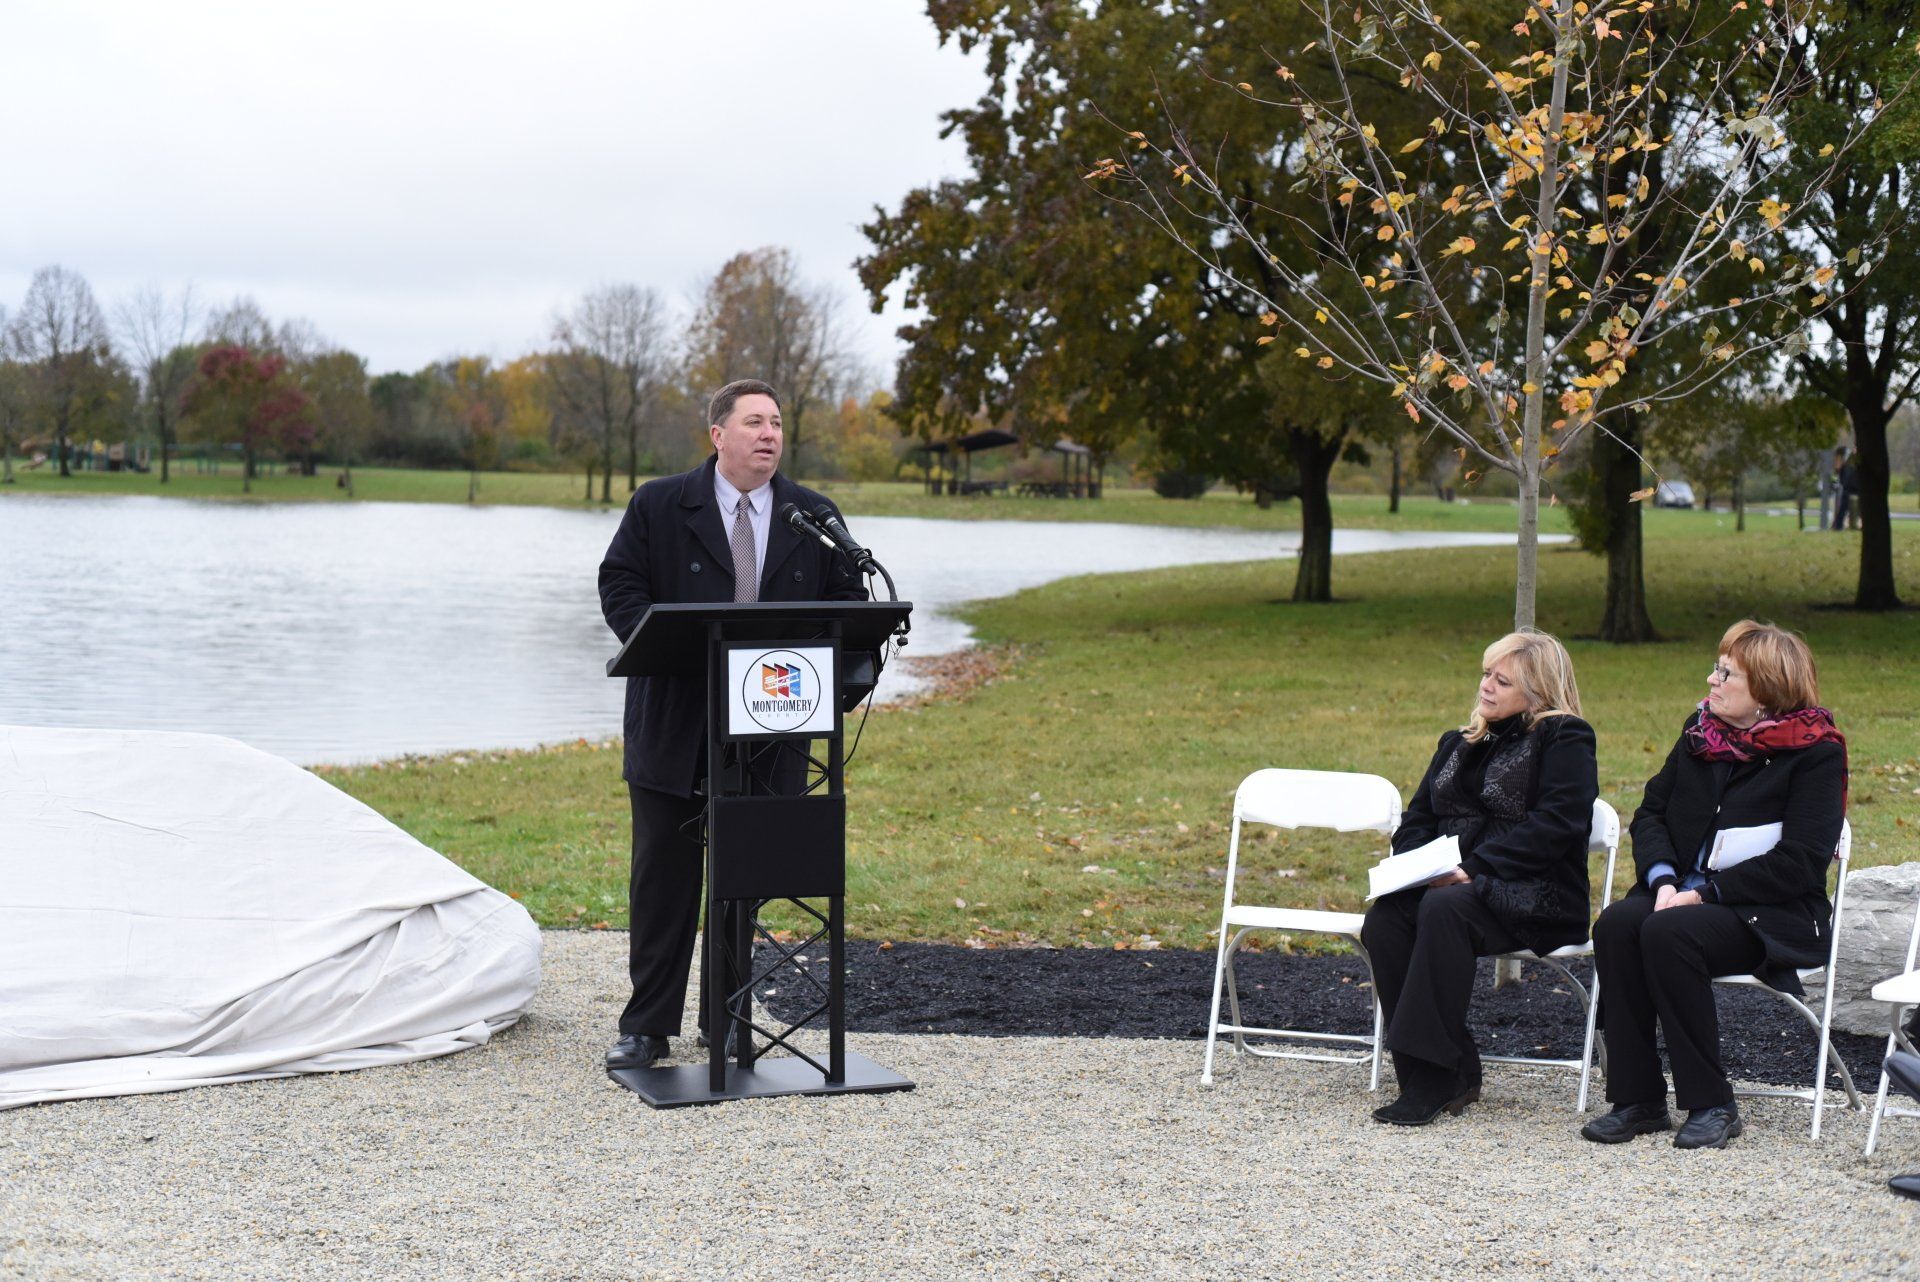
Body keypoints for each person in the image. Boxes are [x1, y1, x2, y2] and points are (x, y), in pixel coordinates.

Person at [597, 379, 866, 1072]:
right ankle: (646, 1027)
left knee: (742, 879)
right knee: (664, 880)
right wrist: (655, 642)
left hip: (772, 729)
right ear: (717, 435)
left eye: (776, 423)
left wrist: (839, 684)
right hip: (676, 723)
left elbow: (849, 602)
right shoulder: (660, 504)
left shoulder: (812, 514)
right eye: (753, 422)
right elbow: (621, 582)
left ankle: (728, 1020)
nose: (769, 434)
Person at [1582, 620, 1846, 1149]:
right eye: (1717, 668)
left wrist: (1704, 892)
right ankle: (1638, 1099)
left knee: (1670, 934)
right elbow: (1651, 813)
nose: (1711, 680)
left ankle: (1712, 1103)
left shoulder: (1816, 752)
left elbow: (1800, 861)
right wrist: (1660, 880)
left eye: (1726, 673)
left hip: (1768, 909)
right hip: (1678, 894)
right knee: (1615, 924)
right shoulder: (1700, 734)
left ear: (1766, 693)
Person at [1361, 631, 1598, 1125]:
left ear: (1537, 690)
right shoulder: (1458, 742)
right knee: (1385, 918)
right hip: (1451, 887)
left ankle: (1429, 1082)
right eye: (1485, 674)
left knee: (1445, 909)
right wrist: (1415, 868)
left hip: (1534, 893)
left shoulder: (1564, 737)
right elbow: (1419, 818)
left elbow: (1559, 823)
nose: (1486, 686)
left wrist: (1472, 869)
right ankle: (1449, 1067)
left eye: (1502, 679)